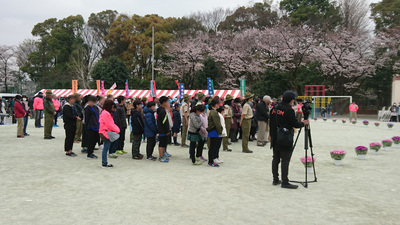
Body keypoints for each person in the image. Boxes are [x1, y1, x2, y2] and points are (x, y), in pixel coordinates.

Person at [270, 91, 308, 189]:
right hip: (285, 137)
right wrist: (303, 123)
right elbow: (295, 124)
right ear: (291, 100)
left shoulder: (274, 108)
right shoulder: (288, 110)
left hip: (275, 136)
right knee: (285, 159)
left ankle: (275, 179)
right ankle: (285, 181)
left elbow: (271, 122)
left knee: (275, 158)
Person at [99, 100, 120, 168]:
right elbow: (109, 124)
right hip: (106, 132)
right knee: (106, 149)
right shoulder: (106, 113)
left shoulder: (104, 112)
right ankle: (104, 163)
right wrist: (117, 129)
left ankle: (104, 162)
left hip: (104, 131)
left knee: (106, 148)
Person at [207, 99, 223, 167]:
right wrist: (220, 130)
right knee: (213, 147)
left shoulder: (212, 112)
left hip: (212, 130)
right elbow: (217, 123)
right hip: (214, 130)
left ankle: (211, 160)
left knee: (213, 146)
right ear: (216, 104)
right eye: (218, 104)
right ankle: (211, 161)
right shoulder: (214, 112)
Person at [157, 96, 171, 163]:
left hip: (162, 129)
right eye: (167, 101)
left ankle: (162, 155)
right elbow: (164, 122)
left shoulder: (161, 110)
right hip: (162, 130)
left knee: (163, 143)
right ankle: (161, 157)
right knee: (162, 144)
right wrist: (167, 130)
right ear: (164, 102)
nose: (168, 103)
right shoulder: (162, 111)